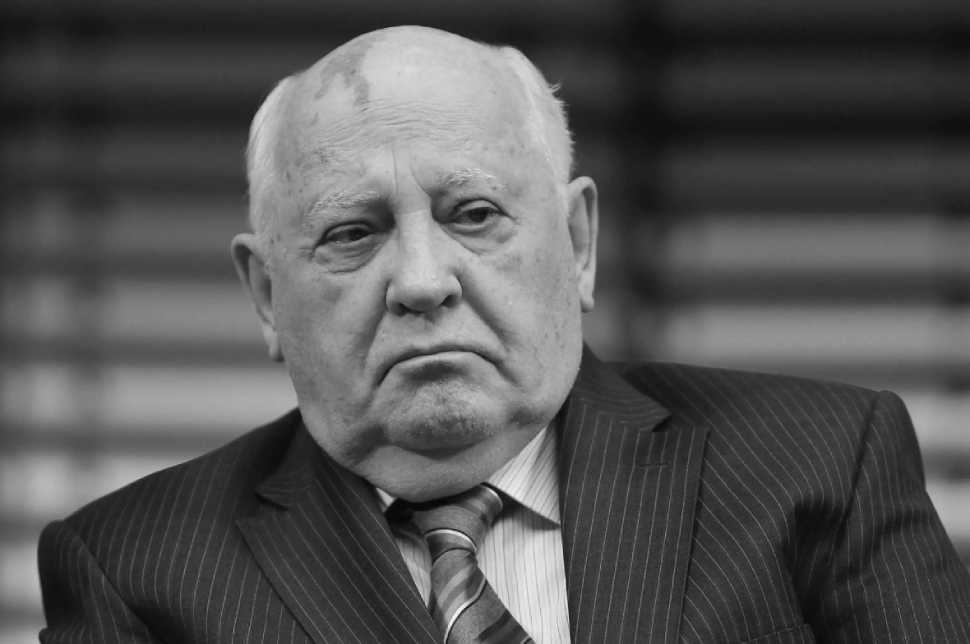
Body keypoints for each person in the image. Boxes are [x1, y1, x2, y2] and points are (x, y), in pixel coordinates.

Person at [38, 25, 970, 643]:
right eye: (351, 233)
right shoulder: (134, 571)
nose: (421, 281)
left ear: (578, 243)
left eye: (474, 214)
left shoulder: (818, 466)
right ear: (266, 294)